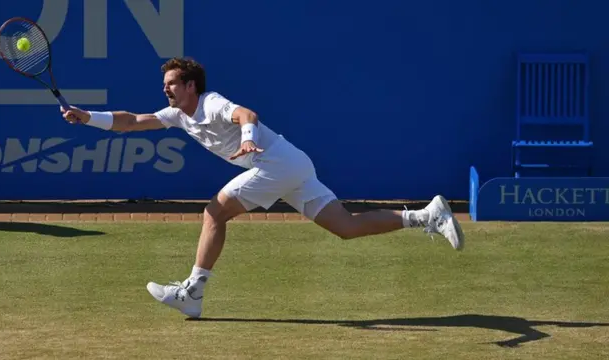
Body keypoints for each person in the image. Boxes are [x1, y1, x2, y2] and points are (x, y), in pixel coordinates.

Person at [61, 57, 465, 319]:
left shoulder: (212, 102)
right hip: (292, 164)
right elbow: (131, 120)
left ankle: (193, 292)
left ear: (190, 86)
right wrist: (87, 117)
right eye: (165, 84)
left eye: (171, 83)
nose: (165, 88)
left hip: (276, 162)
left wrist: (248, 135)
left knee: (214, 212)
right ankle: (427, 215)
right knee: (346, 226)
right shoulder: (178, 116)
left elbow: (245, 114)